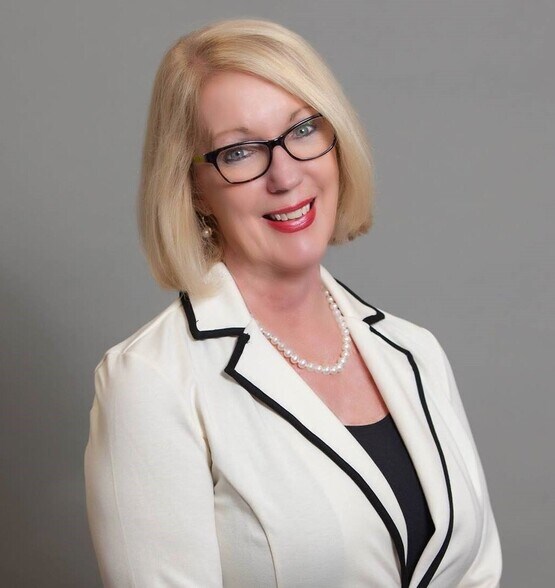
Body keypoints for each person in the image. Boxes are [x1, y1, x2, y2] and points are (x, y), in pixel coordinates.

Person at [84, 18, 502, 588]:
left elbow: (475, 573)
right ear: (194, 187)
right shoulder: (151, 381)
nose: (285, 175)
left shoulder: (415, 352)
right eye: (239, 152)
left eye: (303, 129)